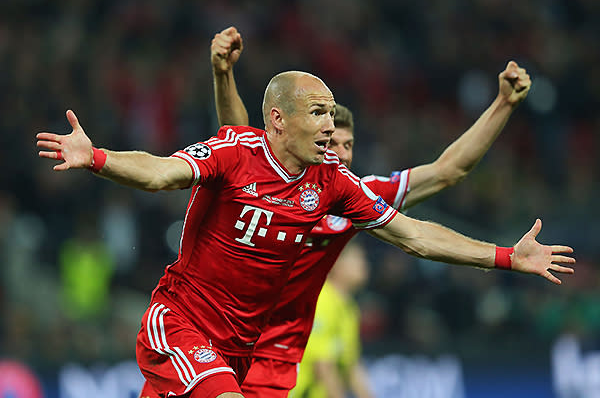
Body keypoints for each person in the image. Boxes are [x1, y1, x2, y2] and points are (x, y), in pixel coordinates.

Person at [37, 47, 575, 398]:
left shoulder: (336, 186)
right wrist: (99, 158)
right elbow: (161, 173)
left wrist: (505, 256)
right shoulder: (234, 151)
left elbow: (415, 235)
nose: (329, 127)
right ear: (279, 120)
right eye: (318, 113)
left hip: (255, 353)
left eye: (333, 114)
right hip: (183, 322)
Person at [207, 27, 571, 398]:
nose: (341, 153)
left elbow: (447, 172)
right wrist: (223, 74)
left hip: (279, 362)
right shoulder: (265, 178)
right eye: (331, 142)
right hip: (220, 342)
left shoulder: (353, 196)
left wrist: (503, 105)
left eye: (347, 144)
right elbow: (236, 137)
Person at [290, 240, 374, 398]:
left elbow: (351, 365)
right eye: (358, 259)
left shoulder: (349, 307)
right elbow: (322, 365)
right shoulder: (322, 300)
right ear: (337, 263)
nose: (365, 264)